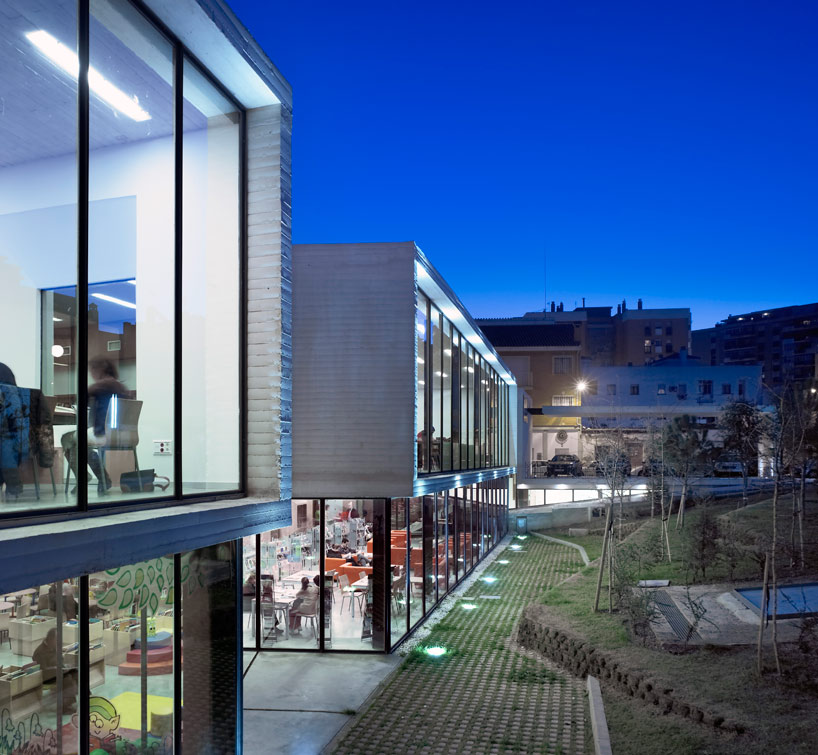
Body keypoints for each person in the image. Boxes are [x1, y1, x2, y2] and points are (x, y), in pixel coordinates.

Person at [61, 356, 128, 494]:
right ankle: (101, 479)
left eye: (92, 370)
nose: (91, 373)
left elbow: (81, 397)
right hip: (123, 434)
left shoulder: (104, 384)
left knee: (67, 439)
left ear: (100, 370)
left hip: (103, 433)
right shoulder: (121, 386)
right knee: (79, 444)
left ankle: (90, 478)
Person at [32, 628, 77, 713]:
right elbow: (43, 670)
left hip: (58, 672)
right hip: (47, 677)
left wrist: (65, 666)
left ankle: (84, 696)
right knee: (67, 678)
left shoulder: (53, 647)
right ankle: (65, 706)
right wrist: (57, 669)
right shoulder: (39, 652)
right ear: (50, 639)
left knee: (76, 672)